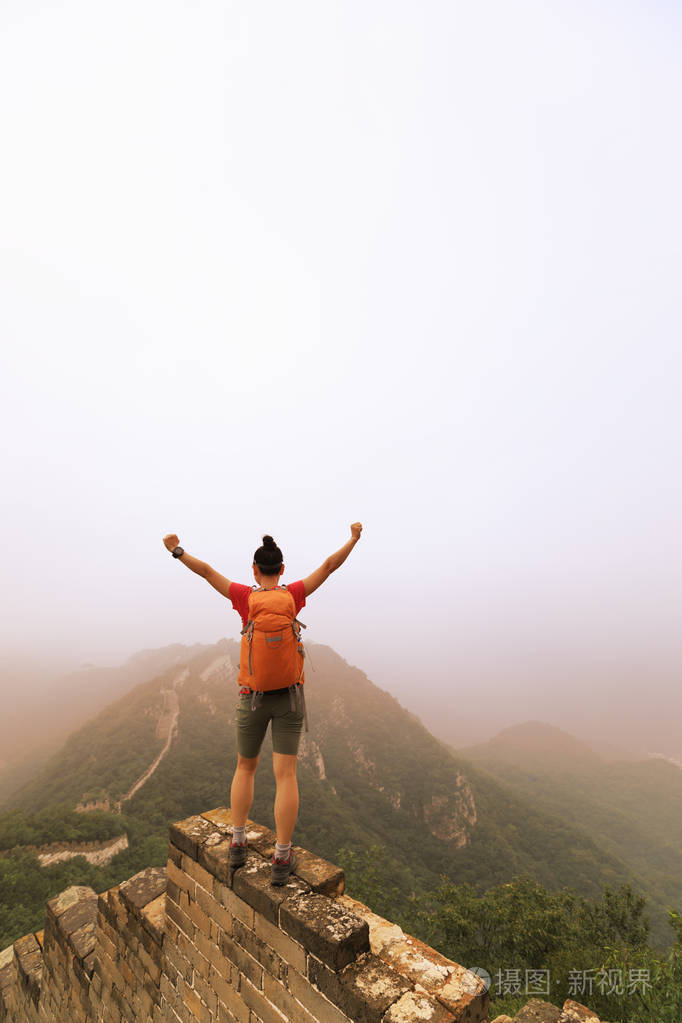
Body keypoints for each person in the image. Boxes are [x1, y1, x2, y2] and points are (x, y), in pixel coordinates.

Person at [162, 523, 363, 884]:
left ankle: (237, 843)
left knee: (245, 767)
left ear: (254, 570)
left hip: (251, 699)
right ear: (282, 570)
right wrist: (353, 539)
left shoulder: (245, 598)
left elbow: (207, 572)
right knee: (286, 775)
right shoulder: (294, 595)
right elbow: (330, 566)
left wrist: (177, 550)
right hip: (289, 698)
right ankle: (282, 860)